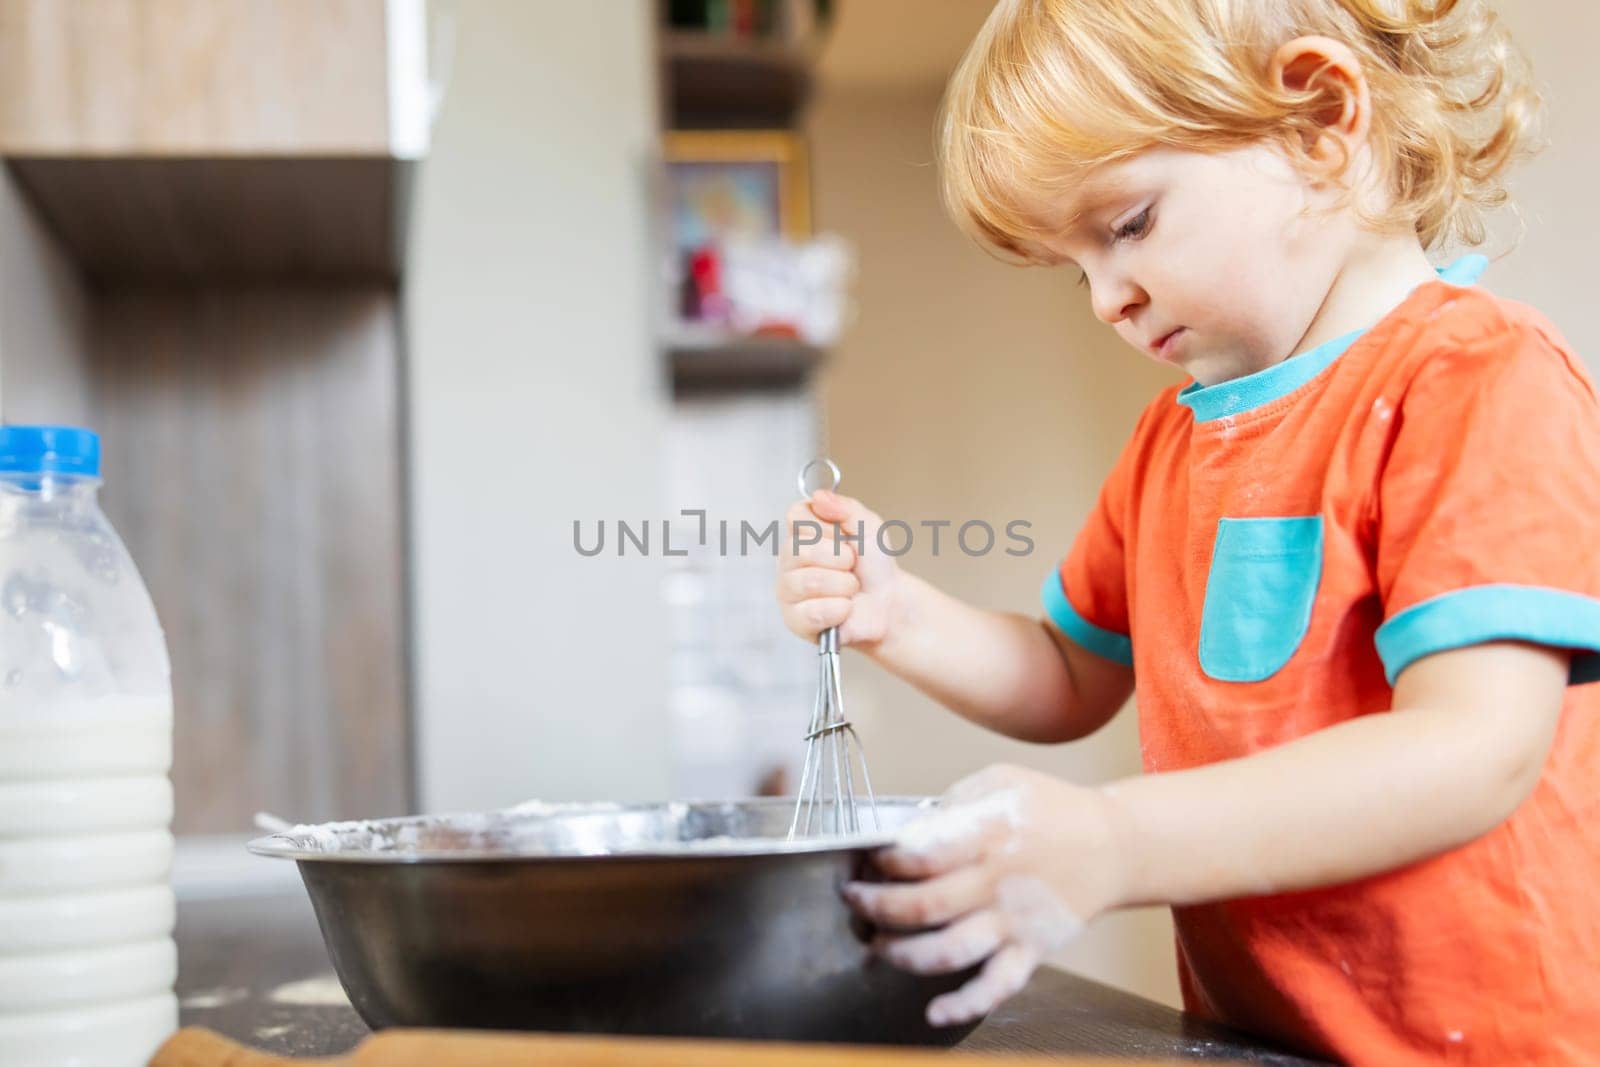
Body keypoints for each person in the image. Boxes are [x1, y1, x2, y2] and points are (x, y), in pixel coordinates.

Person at [774, 1, 1600, 1062]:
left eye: (1125, 226)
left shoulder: (1479, 378)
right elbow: (1070, 670)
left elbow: (1471, 749)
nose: (1106, 301)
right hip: (1255, 1036)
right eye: (1074, 267)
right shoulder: (1173, 440)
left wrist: (1114, 840)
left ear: (1319, 119)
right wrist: (899, 614)